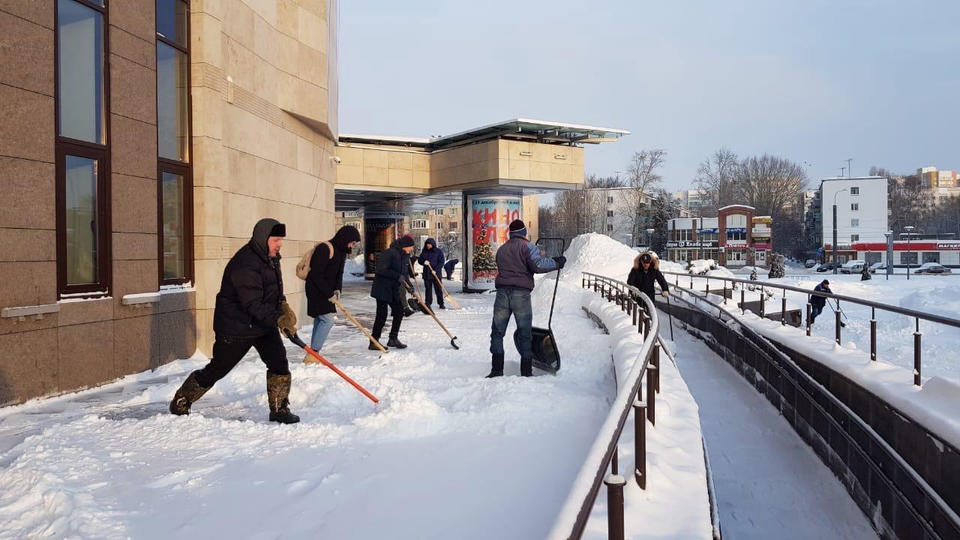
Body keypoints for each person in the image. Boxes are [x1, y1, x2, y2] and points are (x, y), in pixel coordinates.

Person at [169, 218, 300, 424]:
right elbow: (252, 303)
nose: (279, 244)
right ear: (263, 238)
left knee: (279, 363)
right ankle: (182, 399)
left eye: (280, 239)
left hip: (262, 324)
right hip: (236, 326)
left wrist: (283, 306)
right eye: (276, 240)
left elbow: (274, 291)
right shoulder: (245, 264)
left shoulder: (271, 258)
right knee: (218, 368)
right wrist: (278, 318)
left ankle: (279, 409)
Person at [487, 220, 565, 378]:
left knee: (497, 332)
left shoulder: (502, 249)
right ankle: (526, 371)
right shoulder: (528, 246)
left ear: (511, 233)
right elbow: (538, 265)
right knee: (525, 333)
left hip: (502, 293)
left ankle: (496, 370)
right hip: (520, 295)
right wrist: (557, 262)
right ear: (523, 232)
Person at [305, 225, 362, 352]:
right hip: (316, 290)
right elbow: (315, 274)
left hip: (328, 292)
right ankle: (314, 352)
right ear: (345, 238)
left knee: (321, 319)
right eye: (352, 242)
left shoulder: (342, 252)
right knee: (327, 320)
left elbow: (339, 274)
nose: (352, 246)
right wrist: (329, 293)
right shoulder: (324, 249)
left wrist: (337, 290)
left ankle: (313, 351)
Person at [370, 236, 415, 350]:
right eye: (411, 247)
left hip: (394, 289)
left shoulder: (405, 256)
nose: (411, 249)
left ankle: (393, 339)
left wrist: (410, 287)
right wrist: (396, 276)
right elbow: (380, 269)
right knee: (382, 315)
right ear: (405, 246)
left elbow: (404, 274)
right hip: (382, 288)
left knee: (399, 311)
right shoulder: (389, 253)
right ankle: (374, 341)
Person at [417, 238, 446, 310]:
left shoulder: (438, 252)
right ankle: (428, 303)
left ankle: (441, 303)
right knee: (428, 289)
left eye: (429, 244)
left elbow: (441, 261)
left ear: (433, 244)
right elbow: (419, 260)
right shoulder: (424, 252)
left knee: (438, 289)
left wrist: (436, 270)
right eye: (427, 244)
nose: (428, 245)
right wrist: (423, 262)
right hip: (427, 274)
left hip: (436, 274)